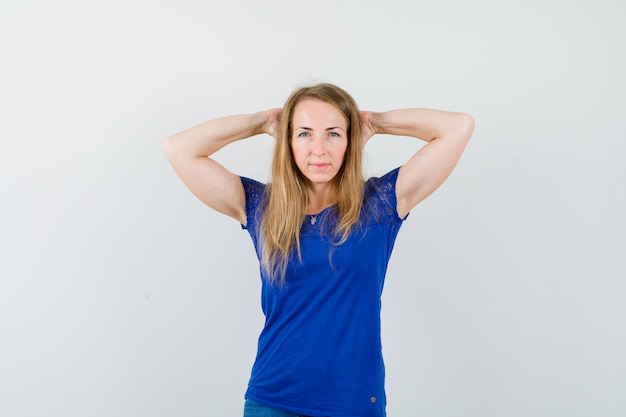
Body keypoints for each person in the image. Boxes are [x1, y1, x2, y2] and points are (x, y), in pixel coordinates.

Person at [163, 83, 474, 417]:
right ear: (288, 141)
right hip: (272, 400)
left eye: (334, 134)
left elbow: (459, 127)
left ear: (351, 140)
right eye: (305, 134)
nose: (319, 149)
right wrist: (262, 121)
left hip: (352, 403)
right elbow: (178, 149)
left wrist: (374, 122)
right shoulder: (262, 208)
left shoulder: (380, 205)